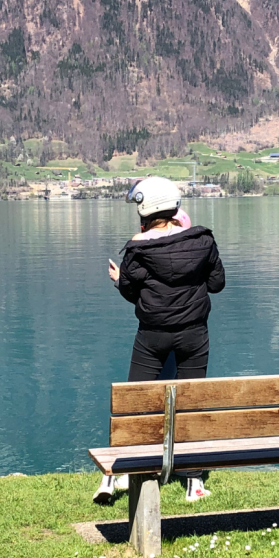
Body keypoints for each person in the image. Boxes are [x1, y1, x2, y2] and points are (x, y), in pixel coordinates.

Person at [94, 177, 225, 503]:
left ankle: (114, 476)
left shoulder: (138, 250)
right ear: (174, 207)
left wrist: (119, 279)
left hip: (152, 338)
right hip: (195, 336)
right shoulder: (203, 241)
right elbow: (217, 283)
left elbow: (130, 292)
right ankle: (194, 484)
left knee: (134, 403)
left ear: (144, 211)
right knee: (189, 404)